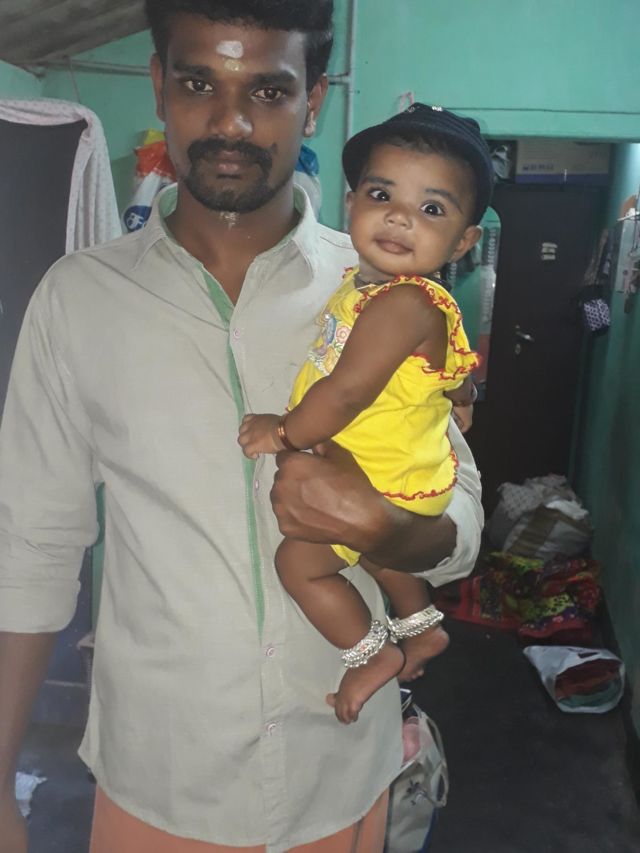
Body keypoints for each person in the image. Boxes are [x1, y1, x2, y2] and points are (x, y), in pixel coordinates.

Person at [0, 2, 484, 851]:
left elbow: (464, 517)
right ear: (159, 84)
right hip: (160, 785)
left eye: (268, 90)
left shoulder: (380, 292)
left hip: (341, 777)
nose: (231, 122)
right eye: (199, 84)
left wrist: (390, 528)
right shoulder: (78, 302)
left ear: (314, 100)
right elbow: (32, 546)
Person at [238, 105, 491, 724]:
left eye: (431, 208)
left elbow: (346, 393)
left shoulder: (403, 302)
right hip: (395, 472)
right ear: (351, 203)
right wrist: (462, 396)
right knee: (373, 550)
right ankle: (422, 626)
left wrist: (281, 432)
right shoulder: (376, 290)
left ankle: (371, 654)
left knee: (299, 565)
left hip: (382, 475)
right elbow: (454, 372)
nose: (400, 217)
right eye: (382, 195)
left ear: (463, 241)